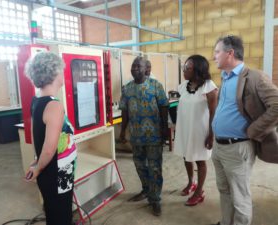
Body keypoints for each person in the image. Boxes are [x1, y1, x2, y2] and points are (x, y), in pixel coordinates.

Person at [211, 35, 278, 225]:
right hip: (219, 146)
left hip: (238, 148)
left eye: (217, 52)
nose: (214, 56)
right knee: (224, 190)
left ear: (230, 53)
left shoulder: (254, 77)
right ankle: (226, 222)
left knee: (240, 197)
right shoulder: (225, 77)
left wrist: (254, 130)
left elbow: (276, 105)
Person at [25, 52, 77, 225]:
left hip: (52, 171)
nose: (63, 75)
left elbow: (36, 136)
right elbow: (48, 148)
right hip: (56, 174)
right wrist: (38, 167)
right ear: (54, 74)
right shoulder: (54, 106)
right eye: (61, 71)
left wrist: (36, 161)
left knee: (54, 212)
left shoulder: (38, 101)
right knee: (60, 216)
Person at [119, 56, 168, 216]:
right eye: (133, 66)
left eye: (138, 66)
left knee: (155, 168)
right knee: (140, 165)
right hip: (136, 136)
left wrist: (165, 129)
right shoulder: (127, 88)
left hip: (154, 136)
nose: (134, 69)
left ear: (146, 69)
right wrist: (122, 132)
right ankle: (146, 190)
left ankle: (155, 200)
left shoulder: (155, 85)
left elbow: (163, 107)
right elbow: (125, 111)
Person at [173, 55, 218, 206]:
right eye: (184, 67)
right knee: (187, 157)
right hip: (185, 128)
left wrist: (211, 135)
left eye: (188, 68)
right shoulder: (184, 86)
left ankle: (199, 191)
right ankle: (191, 182)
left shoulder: (209, 87)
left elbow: (213, 113)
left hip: (201, 131)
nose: (184, 70)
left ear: (198, 69)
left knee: (200, 160)